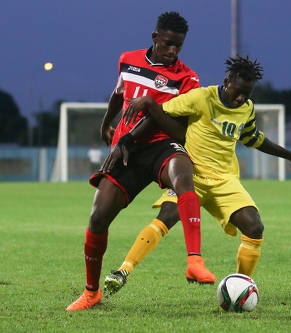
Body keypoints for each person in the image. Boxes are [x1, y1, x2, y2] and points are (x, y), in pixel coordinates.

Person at [102, 56, 291, 295]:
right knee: (167, 215)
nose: (241, 99)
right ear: (226, 81)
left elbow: (254, 139)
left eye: (246, 94)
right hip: (191, 175)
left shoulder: (246, 109)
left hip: (224, 180)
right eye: (238, 92)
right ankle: (123, 271)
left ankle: (241, 287)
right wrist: (128, 139)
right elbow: (158, 113)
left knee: (254, 226)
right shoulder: (201, 97)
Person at [66, 11, 215, 312]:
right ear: (155, 37)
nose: (173, 51)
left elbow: (180, 131)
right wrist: (107, 122)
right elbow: (119, 92)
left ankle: (195, 261)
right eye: (169, 44)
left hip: (162, 144)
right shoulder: (128, 59)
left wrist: (149, 107)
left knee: (183, 175)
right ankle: (91, 292)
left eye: (179, 46)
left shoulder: (188, 78)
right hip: (126, 151)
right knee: (98, 217)